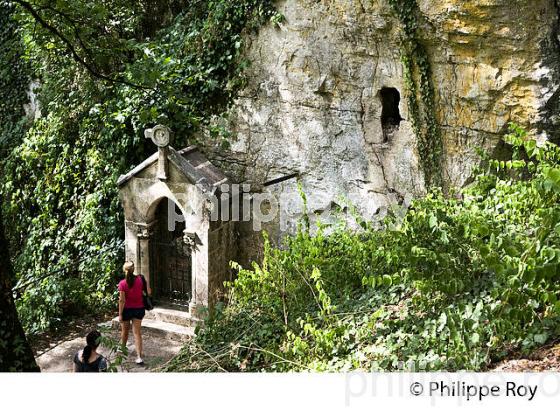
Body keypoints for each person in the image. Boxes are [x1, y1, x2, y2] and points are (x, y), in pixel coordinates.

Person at [118, 261, 151, 364]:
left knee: (125, 332)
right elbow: (149, 292)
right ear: (133, 269)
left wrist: (120, 314)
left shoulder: (122, 283)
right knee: (137, 333)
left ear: (124, 270)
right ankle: (139, 357)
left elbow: (122, 301)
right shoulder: (140, 280)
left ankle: (122, 350)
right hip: (139, 309)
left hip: (127, 310)